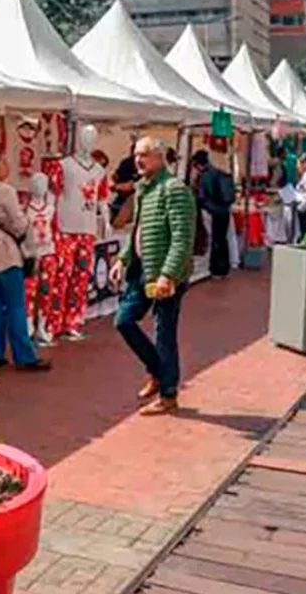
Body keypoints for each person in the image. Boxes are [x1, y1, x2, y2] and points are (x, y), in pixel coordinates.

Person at [110, 137, 196, 416]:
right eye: (136, 154)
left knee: (164, 334)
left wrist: (168, 274)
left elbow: (183, 238)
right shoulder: (144, 189)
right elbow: (138, 230)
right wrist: (123, 259)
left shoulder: (174, 189)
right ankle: (158, 371)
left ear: (160, 157)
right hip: (142, 271)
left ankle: (168, 395)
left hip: (165, 275)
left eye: (144, 154)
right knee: (124, 320)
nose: (138, 160)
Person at [0, 148, 51, 372]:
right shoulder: (4, 191)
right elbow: (18, 223)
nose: (7, 167)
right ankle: (24, 356)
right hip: (6, 255)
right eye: (3, 163)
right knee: (16, 306)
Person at [192, 150, 234, 278]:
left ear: (198, 164)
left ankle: (217, 269)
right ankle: (224, 268)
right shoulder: (218, 172)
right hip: (225, 210)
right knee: (222, 239)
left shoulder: (206, 176)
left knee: (216, 240)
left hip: (213, 212)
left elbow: (202, 197)